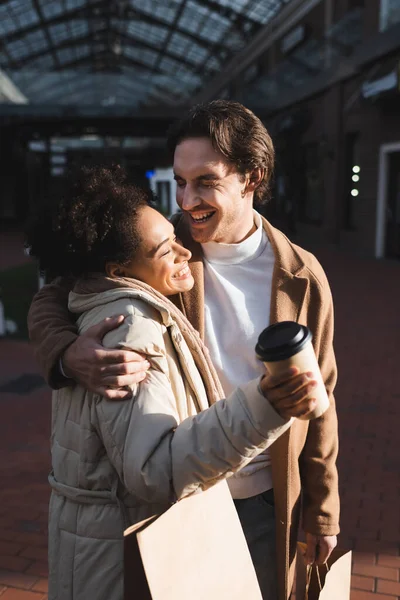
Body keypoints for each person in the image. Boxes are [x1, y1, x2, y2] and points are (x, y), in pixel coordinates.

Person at [28, 101, 340, 600]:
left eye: (205, 182)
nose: (187, 200)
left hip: (265, 497)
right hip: (179, 497)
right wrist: (67, 354)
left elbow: (320, 395)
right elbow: (52, 296)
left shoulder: (303, 276)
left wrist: (323, 509)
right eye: (180, 180)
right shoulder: (154, 245)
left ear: (251, 177)